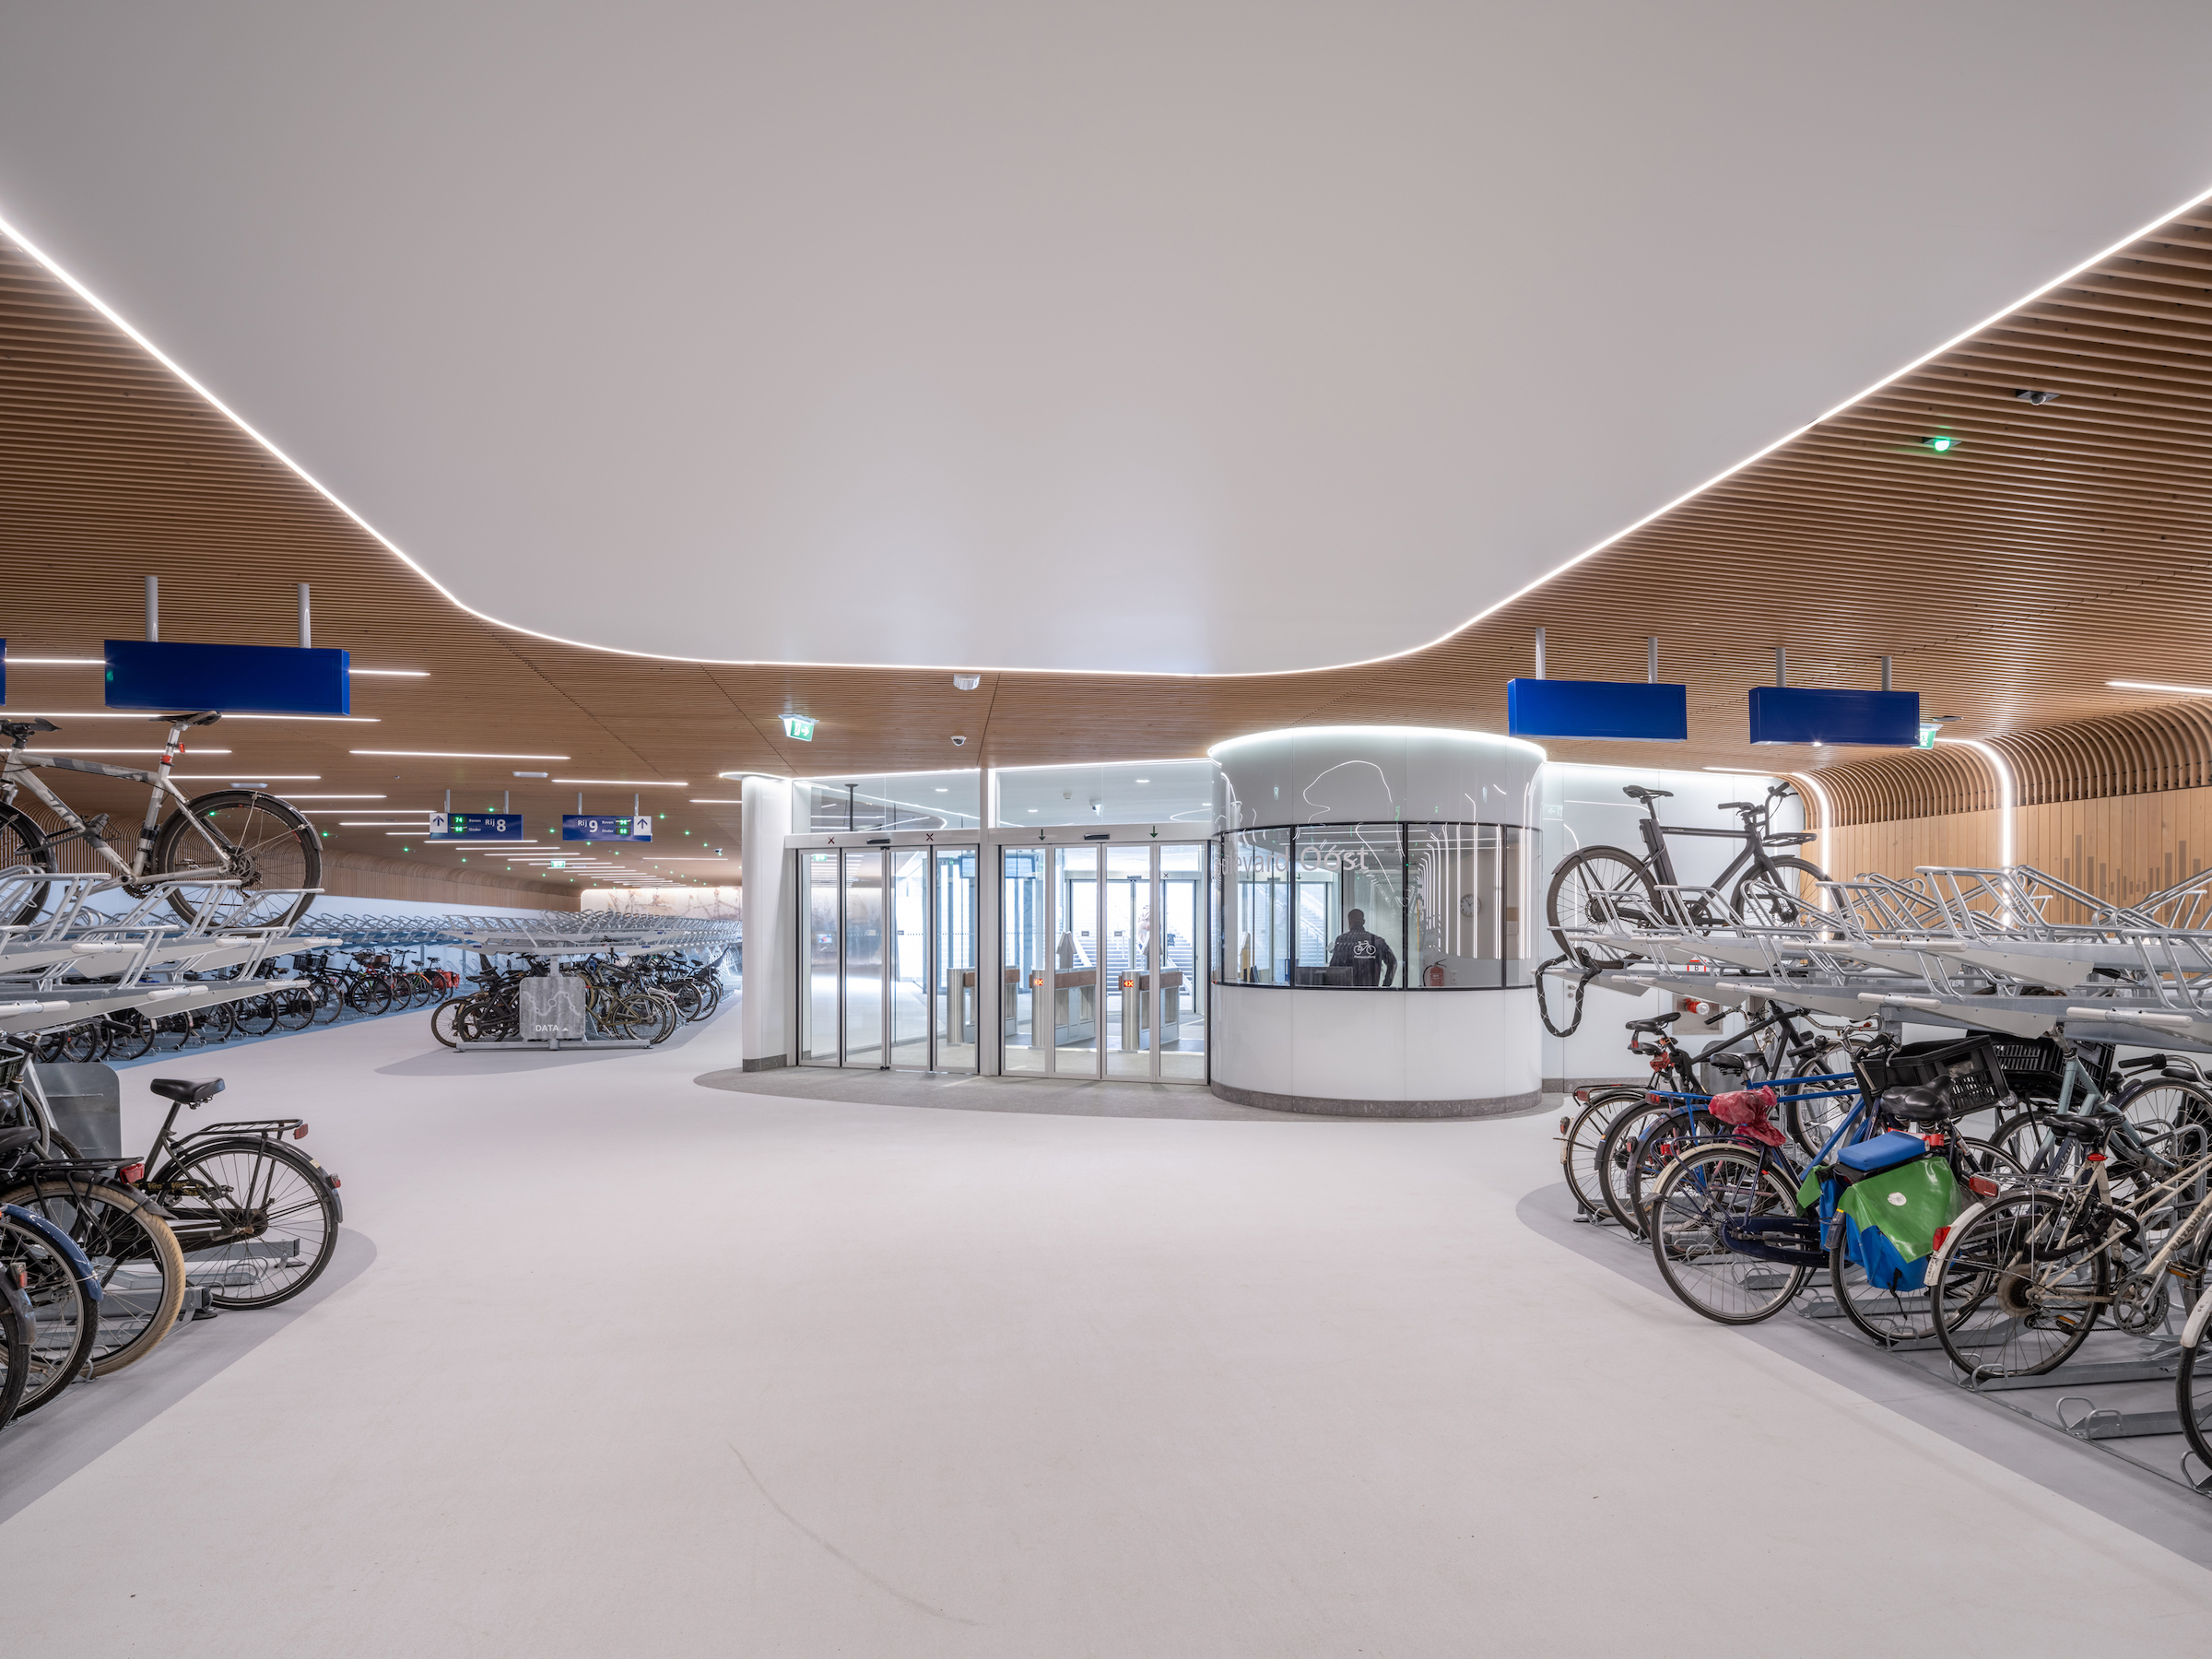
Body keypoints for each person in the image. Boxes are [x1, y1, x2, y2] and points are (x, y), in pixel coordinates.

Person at [1328, 908, 1397, 987]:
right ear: (1364, 922)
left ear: (1349, 922)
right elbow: (1393, 963)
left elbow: (1333, 969)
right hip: (1371, 992)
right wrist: (1385, 986)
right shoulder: (1377, 941)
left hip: (1347, 992)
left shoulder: (1342, 940)